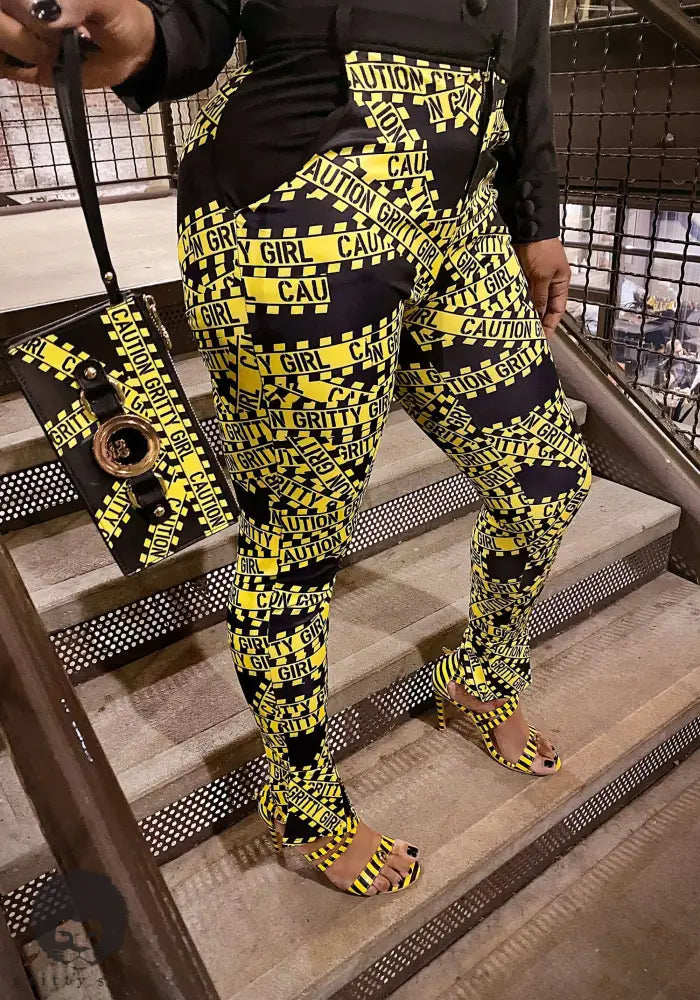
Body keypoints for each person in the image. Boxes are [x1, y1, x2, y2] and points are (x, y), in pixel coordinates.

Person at [1, 0, 592, 898]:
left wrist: (536, 211)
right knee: (297, 542)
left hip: (467, 202)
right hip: (303, 192)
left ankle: (482, 676)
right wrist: (151, 35)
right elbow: (203, 16)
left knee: (546, 478)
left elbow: (528, 45)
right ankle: (302, 796)